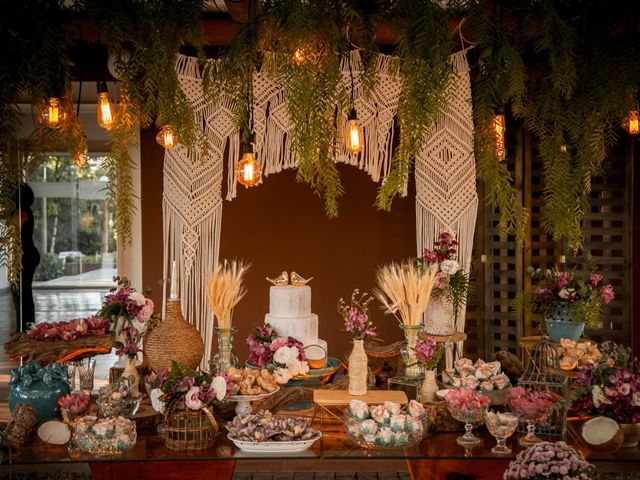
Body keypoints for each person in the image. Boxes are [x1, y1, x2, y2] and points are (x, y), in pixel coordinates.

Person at [12, 183, 40, 332]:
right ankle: (26, 325)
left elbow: (15, 229)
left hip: (27, 255)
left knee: (23, 292)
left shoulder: (22, 212)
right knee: (24, 291)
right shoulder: (25, 211)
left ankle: (26, 326)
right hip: (28, 254)